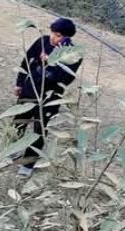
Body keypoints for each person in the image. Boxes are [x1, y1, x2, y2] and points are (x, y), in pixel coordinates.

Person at [13, 18, 81, 177]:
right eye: (52, 32)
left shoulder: (73, 54)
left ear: (66, 38)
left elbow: (65, 78)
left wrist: (50, 62)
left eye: (57, 35)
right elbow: (27, 61)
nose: (52, 37)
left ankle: (27, 165)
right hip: (29, 91)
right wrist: (19, 83)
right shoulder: (43, 41)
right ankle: (11, 149)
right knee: (18, 122)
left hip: (49, 99)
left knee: (39, 130)